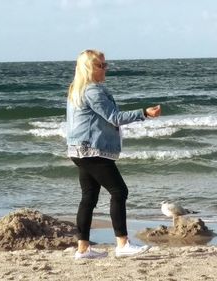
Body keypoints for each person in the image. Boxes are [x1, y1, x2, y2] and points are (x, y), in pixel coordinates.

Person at [66, 49, 161, 259]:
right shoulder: (93, 91)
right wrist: (144, 113)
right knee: (119, 192)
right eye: (101, 65)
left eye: (105, 64)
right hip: (92, 150)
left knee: (88, 198)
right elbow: (114, 117)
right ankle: (122, 244)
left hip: (78, 149)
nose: (105, 68)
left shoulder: (76, 89)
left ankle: (83, 249)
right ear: (89, 68)